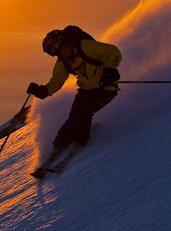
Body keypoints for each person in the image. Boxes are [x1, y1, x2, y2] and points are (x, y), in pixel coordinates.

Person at [27, 26, 122, 178]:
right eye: (54, 54)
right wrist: (42, 91)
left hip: (105, 89)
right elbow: (56, 83)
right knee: (73, 117)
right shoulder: (64, 62)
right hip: (86, 91)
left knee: (84, 112)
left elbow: (114, 52)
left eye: (56, 51)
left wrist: (109, 70)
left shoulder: (85, 47)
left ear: (62, 43)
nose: (58, 55)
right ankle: (59, 144)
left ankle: (79, 140)